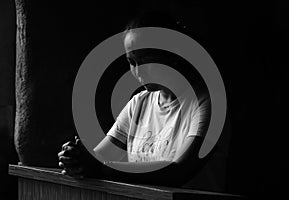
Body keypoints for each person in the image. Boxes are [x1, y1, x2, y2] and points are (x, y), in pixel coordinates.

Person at [58, 11, 212, 188]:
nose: (139, 71)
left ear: (173, 54)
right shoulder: (138, 103)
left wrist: (101, 168)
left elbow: (179, 171)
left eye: (146, 59)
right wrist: (75, 159)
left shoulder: (207, 102)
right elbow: (100, 157)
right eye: (132, 62)